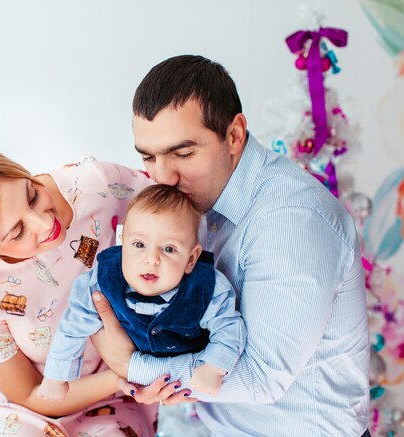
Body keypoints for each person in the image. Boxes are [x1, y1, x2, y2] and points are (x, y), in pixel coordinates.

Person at [90, 55, 370, 436]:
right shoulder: (199, 199)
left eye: (183, 154)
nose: (163, 176)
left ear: (234, 135)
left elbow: (260, 377)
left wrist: (133, 363)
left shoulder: (290, 220)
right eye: (149, 156)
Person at [0, 146, 180, 437]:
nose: (45, 222)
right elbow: (29, 393)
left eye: (32, 194)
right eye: (16, 232)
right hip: (15, 407)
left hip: (115, 399)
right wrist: (127, 372)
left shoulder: (94, 186)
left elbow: (183, 213)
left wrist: (138, 370)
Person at [38, 184, 245, 400]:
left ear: (191, 259)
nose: (151, 259)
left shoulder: (207, 288)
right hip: (126, 381)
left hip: (188, 370)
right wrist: (55, 377)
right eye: (138, 244)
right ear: (123, 242)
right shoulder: (102, 279)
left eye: (168, 249)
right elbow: (73, 326)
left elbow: (230, 326)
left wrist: (214, 366)